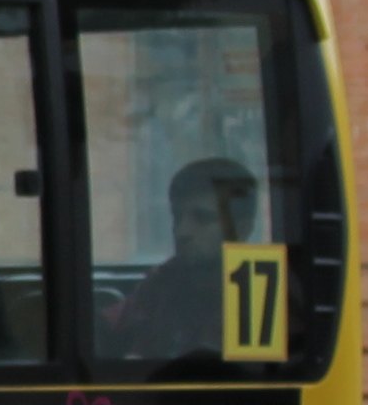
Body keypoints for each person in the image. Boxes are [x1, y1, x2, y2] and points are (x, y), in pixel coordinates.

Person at [107, 155, 261, 364]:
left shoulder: (259, 292)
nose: (182, 231)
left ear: (241, 230)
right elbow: (109, 328)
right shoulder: (167, 279)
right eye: (177, 216)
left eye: (202, 218)